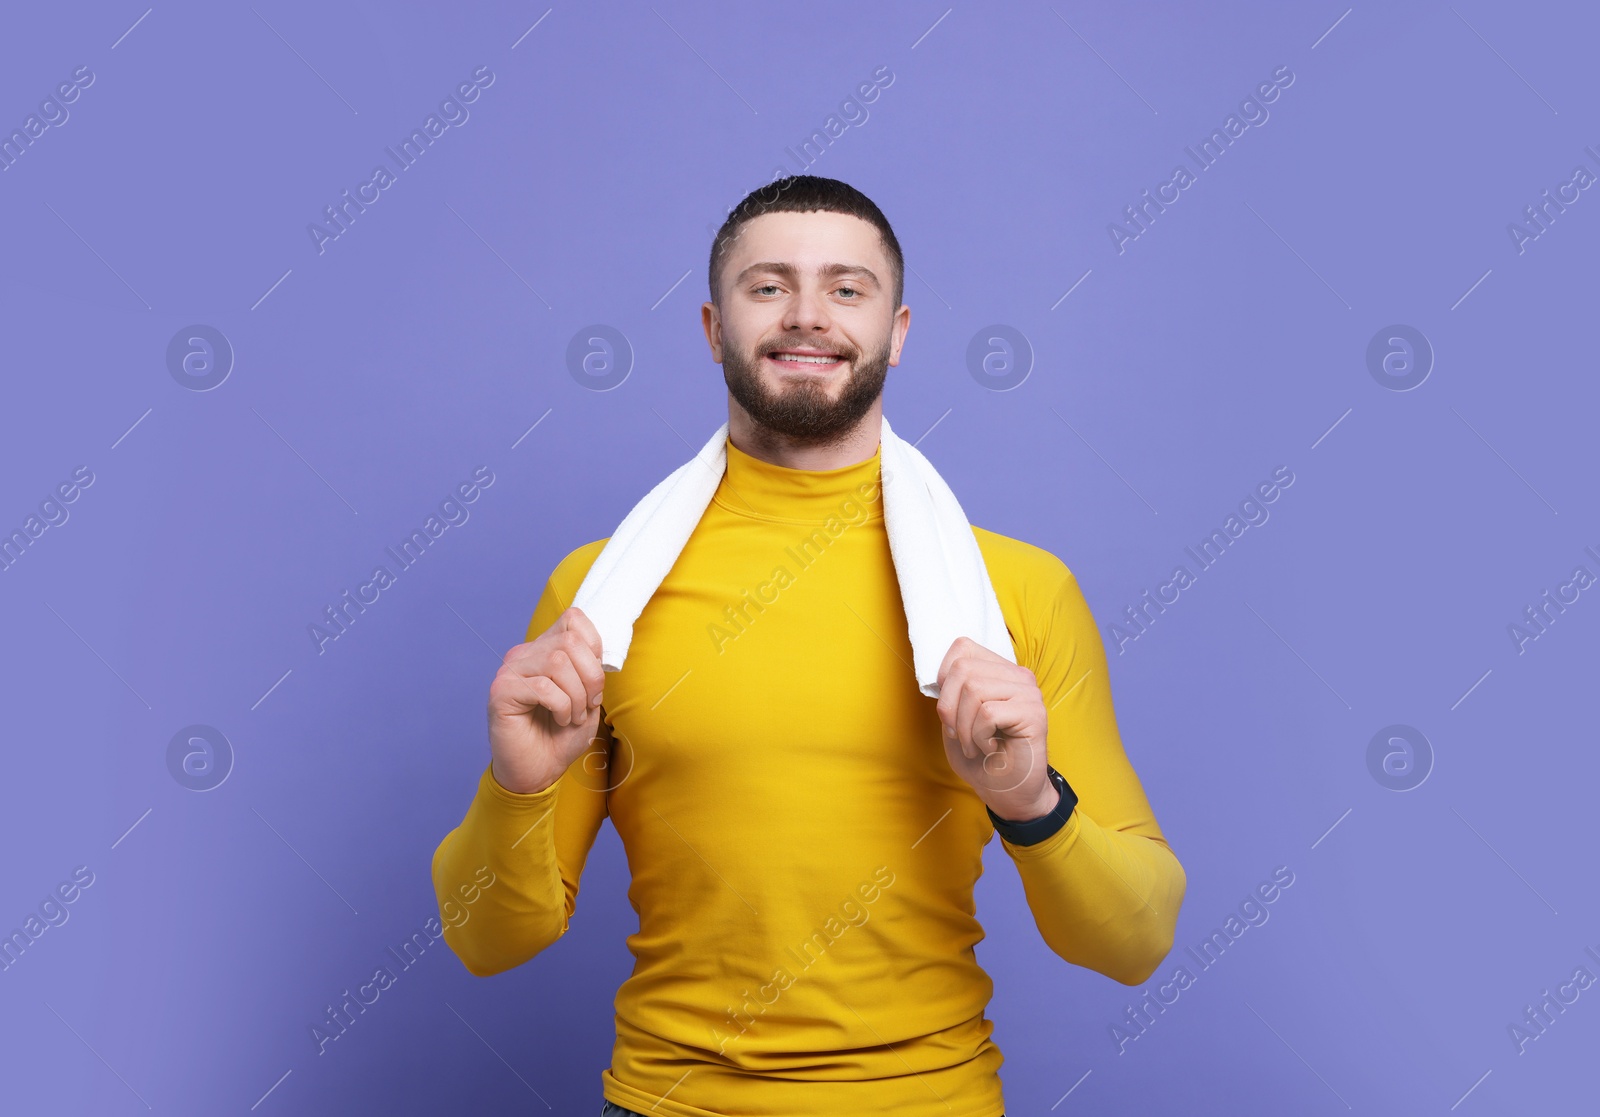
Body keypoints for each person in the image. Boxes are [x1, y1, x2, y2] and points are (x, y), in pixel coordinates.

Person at [431, 175, 1186, 1117]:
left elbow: (1138, 939)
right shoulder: (599, 600)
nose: (806, 315)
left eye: (845, 288)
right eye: (767, 285)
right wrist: (520, 786)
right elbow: (487, 938)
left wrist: (1028, 798)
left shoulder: (1016, 596)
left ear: (898, 331)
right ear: (713, 328)